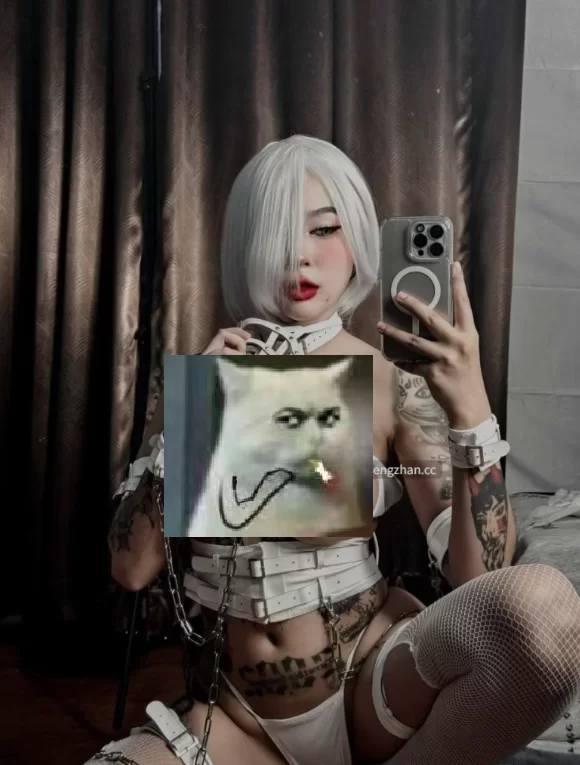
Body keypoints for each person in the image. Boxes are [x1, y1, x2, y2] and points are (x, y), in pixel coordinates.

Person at [89, 135, 580, 765]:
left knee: (546, 611)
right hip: (233, 718)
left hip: (373, 691)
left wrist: (471, 408)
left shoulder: (393, 384)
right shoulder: (200, 376)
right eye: (276, 231)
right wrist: (192, 423)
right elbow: (130, 570)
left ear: (357, 243)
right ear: (243, 243)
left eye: (325, 229)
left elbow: (480, 584)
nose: (299, 254)